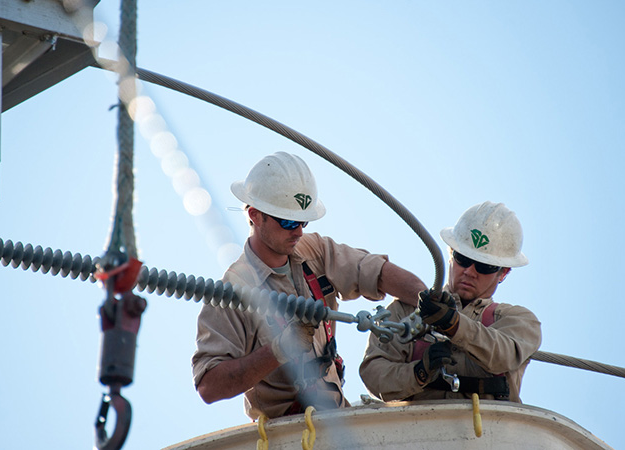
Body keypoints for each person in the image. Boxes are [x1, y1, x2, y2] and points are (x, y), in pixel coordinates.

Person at [191, 151, 426, 420]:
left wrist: (430, 303)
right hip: (286, 434)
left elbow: (377, 273)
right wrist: (278, 350)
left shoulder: (313, 251)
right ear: (255, 215)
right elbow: (209, 386)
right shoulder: (232, 292)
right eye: (288, 221)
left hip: (335, 419)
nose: (299, 231)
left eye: (303, 220)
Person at [360, 201, 541, 403]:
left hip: (490, 427)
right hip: (415, 426)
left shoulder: (519, 321)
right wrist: (420, 371)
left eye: (484, 266)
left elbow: (503, 354)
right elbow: (375, 376)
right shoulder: (406, 310)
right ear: (450, 254)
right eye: (463, 259)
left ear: (503, 273)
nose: (469, 272)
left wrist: (453, 323)